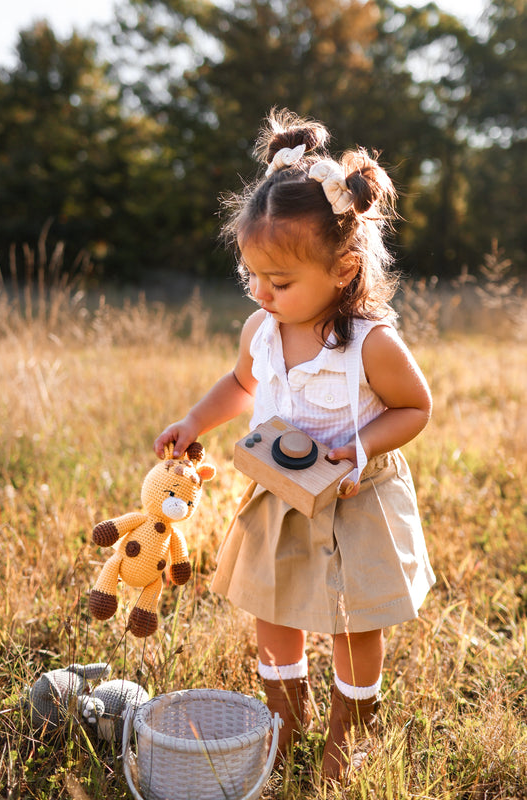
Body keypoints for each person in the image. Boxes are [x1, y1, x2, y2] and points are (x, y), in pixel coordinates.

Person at [154, 108, 435, 782]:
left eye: (279, 283)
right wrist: (195, 422)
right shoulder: (261, 328)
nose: (261, 293)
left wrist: (358, 446)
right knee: (273, 610)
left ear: (342, 270)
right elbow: (239, 383)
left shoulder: (370, 344)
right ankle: (284, 714)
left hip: (352, 498)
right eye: (251, 275)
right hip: (281, 495)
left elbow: (414, 408)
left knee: (350, 621)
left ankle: (351, 729)